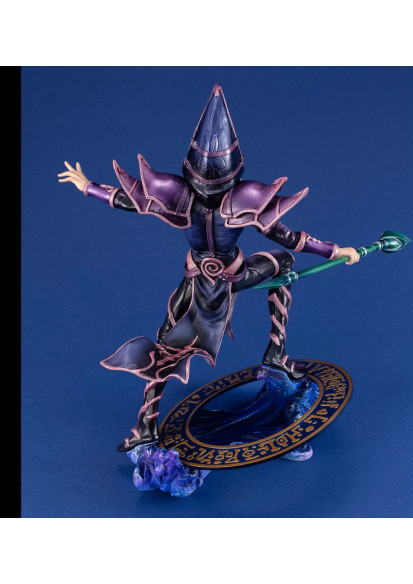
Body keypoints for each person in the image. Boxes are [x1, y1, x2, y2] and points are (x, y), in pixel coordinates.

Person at [58, 84, 359, 452]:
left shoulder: (182, 199)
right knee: (168, 345)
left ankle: (154, 422)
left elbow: (129, 200)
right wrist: (334, 251)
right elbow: (289, 238)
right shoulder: (218, 200)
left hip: (210, 281)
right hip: (224, 280)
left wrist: (89, 186)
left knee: (167, 345)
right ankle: (270, 356)